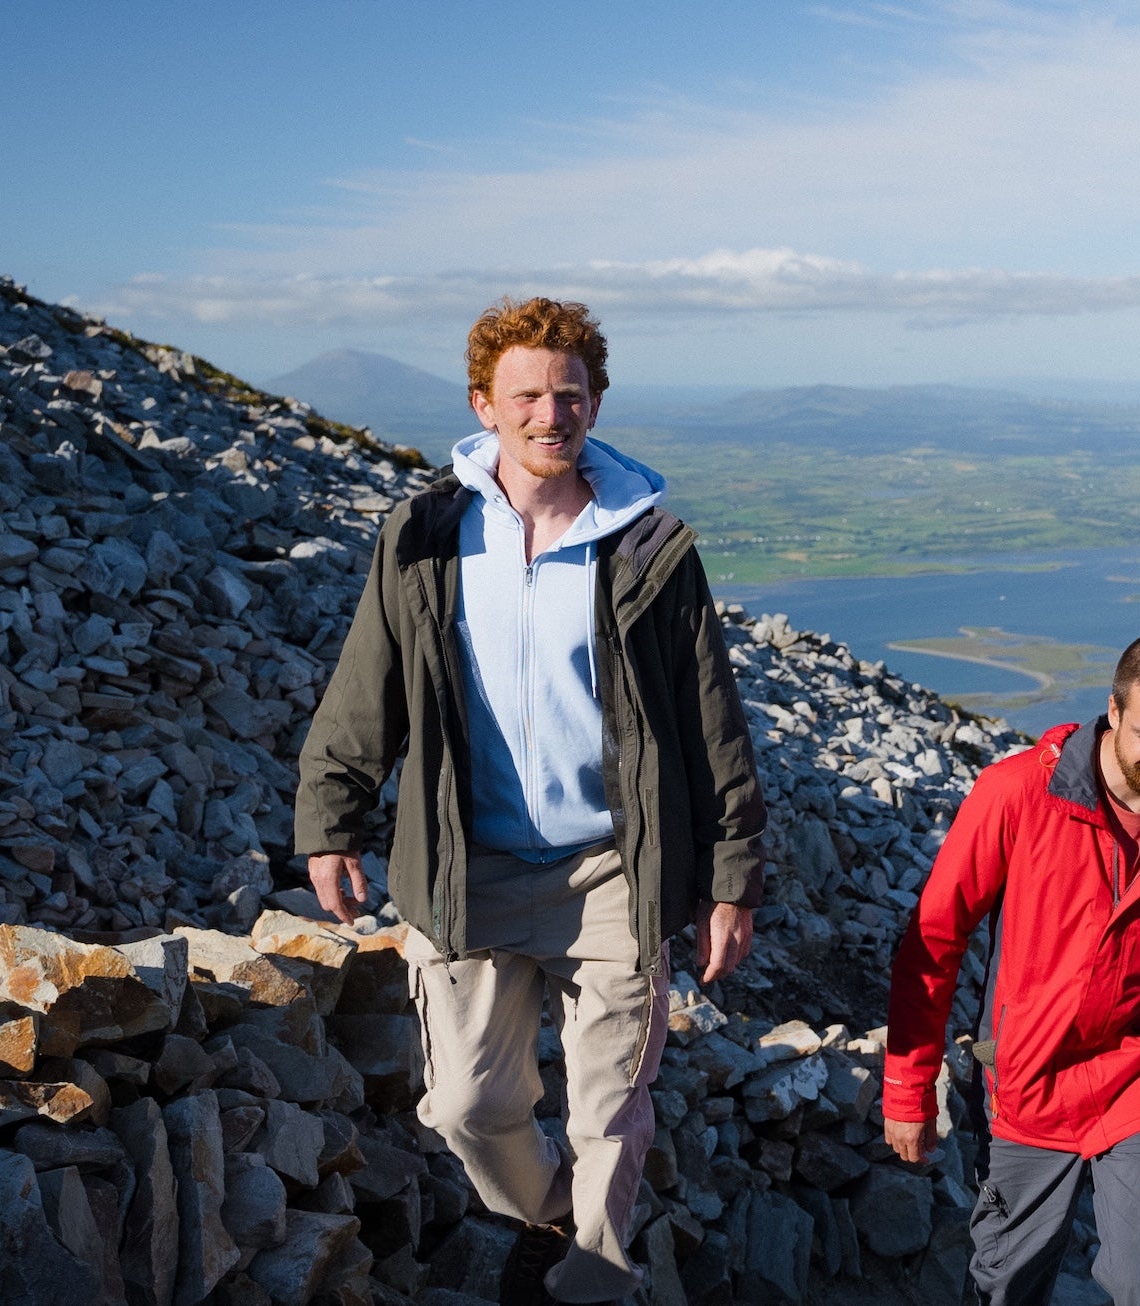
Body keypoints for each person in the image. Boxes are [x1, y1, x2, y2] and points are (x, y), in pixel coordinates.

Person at [294, 297, 765, 1306]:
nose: (550, 413)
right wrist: (330, 819)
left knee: (609, 1114)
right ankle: (552, 1213)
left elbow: (710, 724)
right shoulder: (425, 536)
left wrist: (730, 880)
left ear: (596, 402)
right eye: (528, 395)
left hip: (613, 871)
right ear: (483, 404)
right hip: (472, 867)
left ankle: (588, 1283)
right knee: (465, 1105)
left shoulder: (650, 548)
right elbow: (365, 687)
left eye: (569, 393)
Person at [885, 632, 1140, 1306]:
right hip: (1026, 1077)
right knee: (1006, 1286)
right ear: (1112, 711)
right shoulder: (1018, 793)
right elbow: (935, 939)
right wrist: (908, 1087)